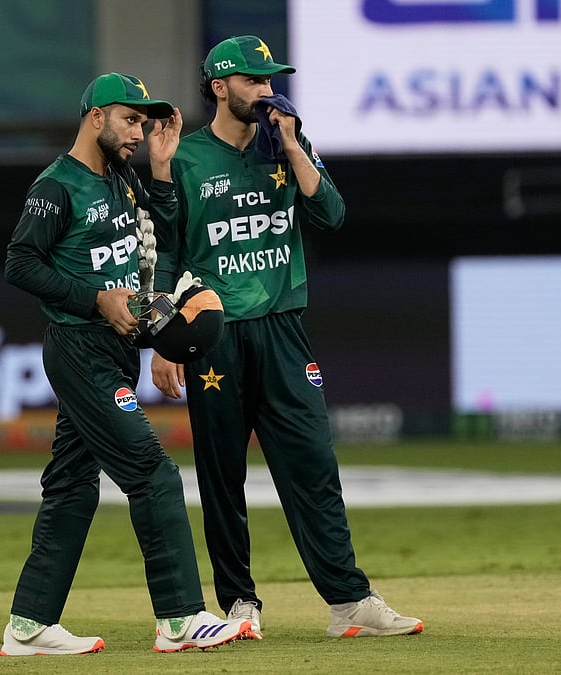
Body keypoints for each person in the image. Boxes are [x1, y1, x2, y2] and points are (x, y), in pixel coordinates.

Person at [157, 35, 424, 638]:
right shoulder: (187, 158)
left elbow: (332, 214)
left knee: (313, 467)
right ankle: (239, 604)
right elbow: (167, 256)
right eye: (253, 80)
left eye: (270, 79)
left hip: (284, 332)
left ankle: (348, 602)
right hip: (214, 335)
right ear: (220, 87)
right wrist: (165, 340)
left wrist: (295, 146)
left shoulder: (289, 148)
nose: (266, 90)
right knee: (221, 474)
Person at [0, 72, 253, 657]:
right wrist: (94, 299)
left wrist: (162, 170)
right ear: (94, 118)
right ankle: (181, 618)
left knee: (70, 488)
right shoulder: (56, 186)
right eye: (129, 119)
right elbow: (18, 263)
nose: (139, 130)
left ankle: (29, 625)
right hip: (81, 349)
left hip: (115, 348)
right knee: (152, 472)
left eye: (144, 121)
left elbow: (156, 240)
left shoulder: (121, 179)